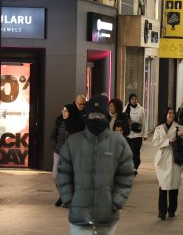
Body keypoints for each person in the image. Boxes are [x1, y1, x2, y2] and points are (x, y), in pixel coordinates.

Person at [57, 95, 134, 235]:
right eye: (93, 114)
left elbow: (126, 175)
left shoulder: (118, 143)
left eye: (100, 114)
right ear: (87, 116)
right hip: (79, 218)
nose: (96, 118)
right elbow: (63, 174)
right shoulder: (73, 143)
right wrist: (69, 201)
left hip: (107, 219)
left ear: (106, 116)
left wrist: (115, 202)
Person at [153, 107, 183, 220]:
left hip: (175, 159)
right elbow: (155, 142)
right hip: (162, 160)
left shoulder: (178, 126)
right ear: (165, 114)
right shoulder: (159, 128)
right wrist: (168, 141)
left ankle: (172, 210)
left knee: (174, 186)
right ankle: (162, 211)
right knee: (162, 186)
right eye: (169, 113)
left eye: (172, 113)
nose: (171, 115)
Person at [50, 103, 84, 207]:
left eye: (66, 111)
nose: (64, 113)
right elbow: (52, 136)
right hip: (59, 152)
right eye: (63, 111)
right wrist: (56, 147)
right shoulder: (59, 121)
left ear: (71, 112)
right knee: (55, 175)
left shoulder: (78, 123)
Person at [123, 93, 146, 176]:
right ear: (130, 100)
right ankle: (130, 168)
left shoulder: (141, 109)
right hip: (128, 135)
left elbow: (143, 122)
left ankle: (135, 168)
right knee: (129, 153)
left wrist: (144, 134)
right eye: (132, 99)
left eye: (135, 99)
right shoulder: (125, 109)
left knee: (136, 153)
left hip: (137, 135)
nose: (134, 100)